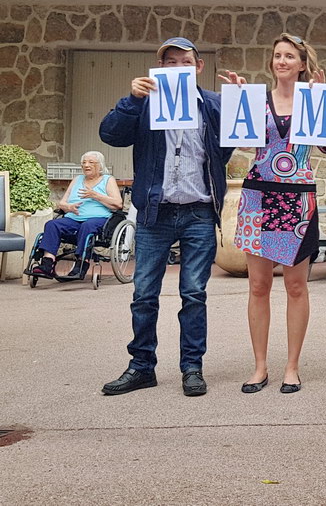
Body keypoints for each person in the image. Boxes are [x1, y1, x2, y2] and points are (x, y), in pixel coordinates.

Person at [99, 37, 238, 397]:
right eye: (170, 62)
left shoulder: (213, 105)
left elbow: (234, 142)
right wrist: (131, 101)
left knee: (194, 294)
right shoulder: (144, 105)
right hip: (154, 214)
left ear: (198, 67)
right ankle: (141, 367)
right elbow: (109, 134)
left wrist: (241, 101)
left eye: (184, 62)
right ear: (160, 68)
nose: (177, 68)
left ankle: (192, 368)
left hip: (198, 212)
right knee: (144, 294)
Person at [231, 33, 326, 395]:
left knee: (295, 286)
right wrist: (239, 103)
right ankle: (260, 366)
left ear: (302, 64)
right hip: (259, 197)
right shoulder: (257, 100)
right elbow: (243, 142)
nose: (282, 61)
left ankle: (292, 366)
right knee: (258, 286)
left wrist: (322, 102)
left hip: (297, 200)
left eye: (290, 56)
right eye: (277, 55)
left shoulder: (313, 100)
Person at [30, 151, 123, 281]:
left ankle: (81, 263)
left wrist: (94, 195)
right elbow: (62, 202)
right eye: (84, 163)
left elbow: (118, 204)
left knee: (87, 226)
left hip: (97, 220)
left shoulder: (108, 179)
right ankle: (47, 264)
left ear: (100, 165)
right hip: (73, 218)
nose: (86, 165)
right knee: (52, 224)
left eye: (91, 162)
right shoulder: (77, 179)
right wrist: (68, 207)